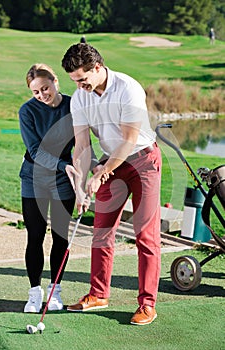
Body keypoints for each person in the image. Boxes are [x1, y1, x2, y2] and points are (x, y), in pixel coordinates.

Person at [61, 43, 162, 325]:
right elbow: (81, 146)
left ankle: (147, 304)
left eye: (83, 79)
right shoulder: (80, 98)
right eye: (74, 82)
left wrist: (102, 170)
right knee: (102, 229)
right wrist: (82, 184)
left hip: (143, 160)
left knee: (146, 234)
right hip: (110, 163)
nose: (79, 86)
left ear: (97, 68)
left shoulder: (128, 88)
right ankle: (98, 293)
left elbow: (129, 139)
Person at [19, 63, 87, 313]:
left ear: (56, 82)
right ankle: (35, 293)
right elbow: (36, 150)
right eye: (36, 92)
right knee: (35, 236)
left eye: (45, 88)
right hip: (34, 178)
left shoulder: (74, 105)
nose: (41, 95)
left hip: (63, 179)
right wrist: (64, 166)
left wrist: (80, 179)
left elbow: (83, 142)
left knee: (60, 236)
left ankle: (55, 292)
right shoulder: (27, 111)